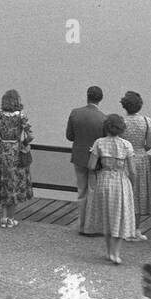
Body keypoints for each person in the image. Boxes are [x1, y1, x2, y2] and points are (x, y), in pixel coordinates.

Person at [87, 114, 138, 265]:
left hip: (104, 180)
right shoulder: (126, 145)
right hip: (120, 181)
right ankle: (116, 253)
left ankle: (109, 252)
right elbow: (133, 171)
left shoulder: (99, 143)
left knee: (107, 217)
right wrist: (132, 184)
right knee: (119, 217)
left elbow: (90, 166)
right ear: (121, 128)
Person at [0, 89, 34, 228]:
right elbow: (31, 136)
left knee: (3, 181)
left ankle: (3, 217)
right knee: (13, 183)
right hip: (15, 150)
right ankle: (11, 218)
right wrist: (23, 143)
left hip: (4, 150)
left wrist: (0, 142)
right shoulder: (21, 116)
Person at [66, 85, 107, 234]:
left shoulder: (75, 113)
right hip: (96, 161)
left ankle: (81, 224)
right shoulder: (104, 118)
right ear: (100, 99)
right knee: (93, 191)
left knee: (81, 192)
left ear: (87, 96)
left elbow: (69, 136)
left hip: (78, 156)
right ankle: (91, 226)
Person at [120, 91, 151, 241]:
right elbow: (149, 145)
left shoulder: (121, 122)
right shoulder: (147, 121)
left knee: (125, 193)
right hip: (141, 160)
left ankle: (123, 228)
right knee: (139, 194)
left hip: (124, 160)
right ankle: (136, 229)